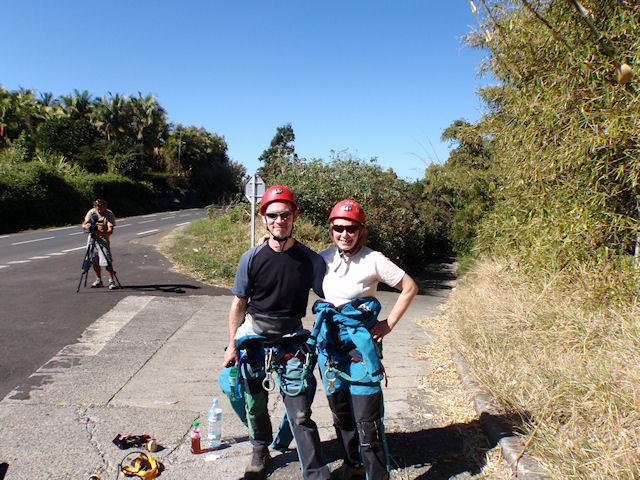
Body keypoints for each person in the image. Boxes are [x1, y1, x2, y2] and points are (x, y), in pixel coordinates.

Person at [222, 185, 330, 480]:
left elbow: (332, 294)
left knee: (300, 411)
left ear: (295, 216)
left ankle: (316, 472)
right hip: (254, 340)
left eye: (285, 214)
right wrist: (232, 345)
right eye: (272, 215)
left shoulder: (311, 260)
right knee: (253, 401)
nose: (279, 220)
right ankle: (260, 449)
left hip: (291, 340)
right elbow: (239, 303)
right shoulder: (251, 258)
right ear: (264, 218)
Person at [311, 199, 418, 480]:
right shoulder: (323, 258)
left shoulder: (374, 259)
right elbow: (289, 261)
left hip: (360, 350)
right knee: (341, 414)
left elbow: (410, 287)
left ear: (361, 230)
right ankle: (352, 464)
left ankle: (377, 476)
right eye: (338, 228)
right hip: (330, 350)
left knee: (367, 422)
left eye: (351, 229)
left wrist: (388, 324)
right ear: (331, 229)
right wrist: (264, 245)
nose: (344, 234)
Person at [81, 199, 118, 290]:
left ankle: (111, 281)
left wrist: (101, 233)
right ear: (95, 206)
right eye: (97, 206)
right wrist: (88, 227)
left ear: (105, 207)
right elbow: (84, 224)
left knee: (107, 259)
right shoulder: (92, 212)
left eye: (101, 207)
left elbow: (110, 231)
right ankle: (98, 280)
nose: (99, 208)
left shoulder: (109, 214)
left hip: (103, 238)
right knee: (94, 259)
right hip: (92, 238)